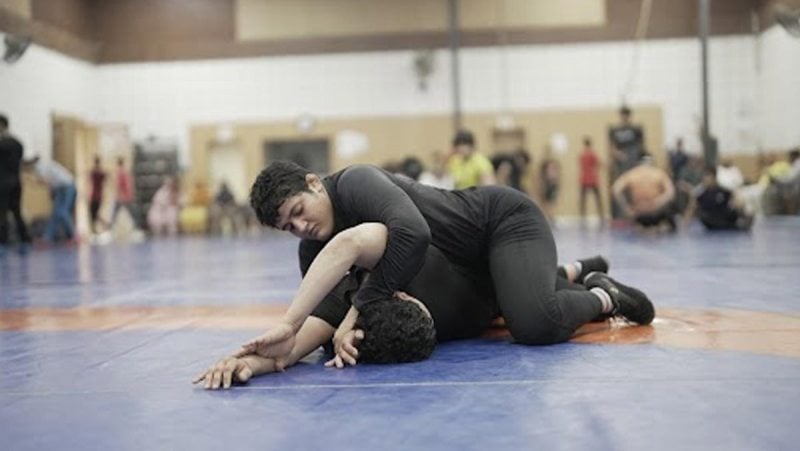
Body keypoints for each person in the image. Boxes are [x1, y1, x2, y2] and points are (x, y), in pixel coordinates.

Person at [196, 161, 655, 384]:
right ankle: (566, 272)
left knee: (533, 323)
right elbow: (310, 336)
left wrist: (359, 309)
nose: (300, 227)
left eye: (298, 210)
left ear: (315, 183)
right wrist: (247, 363)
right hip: (467, 281)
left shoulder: (355, 184)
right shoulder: (313, 252)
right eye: (287, 227)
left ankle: (602, 294)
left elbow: (411, 234)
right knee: (498, 302)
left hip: (499, 227)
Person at [612, 157, 676, 232]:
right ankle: (655, 229)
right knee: (669, 224)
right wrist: (657, 203)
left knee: (641, 228)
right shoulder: (658, 173)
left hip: (639, 215)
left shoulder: (631, 173)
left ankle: (644, 228)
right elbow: (671, 193)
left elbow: (615, 189)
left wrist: (627, 209)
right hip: (656, 214)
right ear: (651, 162)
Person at [24, 156, 77, 244]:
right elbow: (51, 181)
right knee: (56, 213)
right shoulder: (46, 163)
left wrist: (34, 181)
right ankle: (47, 238)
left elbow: (46, 181)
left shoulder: (39, 166)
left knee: (62, 212)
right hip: (62, 187)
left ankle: (73, 235)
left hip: (66, 187)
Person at [0, 114, 32, 256]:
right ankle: (25, 240)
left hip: (3, 183)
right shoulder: (18, 143)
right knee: (17, 212)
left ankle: (3, 243)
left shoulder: (2, 144)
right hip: (16, 182)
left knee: (2, 213)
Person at [683, 168, 753, 231]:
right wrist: (685, 226)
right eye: (705, 177)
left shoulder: (722, 190)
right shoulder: (700, 193)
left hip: (724, 216)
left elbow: (734, 196)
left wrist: (737, 202)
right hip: (710, 219)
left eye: (708, 177)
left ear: (714, 178)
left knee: (737, 204)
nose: (706, 180)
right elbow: (691, 208)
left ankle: (745, 220)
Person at [608, 106, 645, 218]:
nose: (625, 118)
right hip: (621, 164)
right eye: (623, 115)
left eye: (627, 115)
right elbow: (612, 148)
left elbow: (641, 146)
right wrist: (618, 154)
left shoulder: (636, 129)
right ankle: (622, 214)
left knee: (634, 187)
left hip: (633, 162)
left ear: (629, 116)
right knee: (621, 188)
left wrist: (635, 158)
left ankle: (636, 213)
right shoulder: (615, 130)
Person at [579, 137, 604, 224]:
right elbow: (599, 164)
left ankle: (583, 216)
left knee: (583, 199)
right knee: (597, 198)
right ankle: (601, 215)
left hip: (585, 179)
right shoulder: (593, 154)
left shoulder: (582, 155)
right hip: (592, 179)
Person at [109, 157, 137, 228]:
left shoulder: (120, 172)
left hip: (122, 197)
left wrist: (120, 196)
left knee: (115, 213)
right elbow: (129, 185)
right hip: (127, 196)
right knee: (131, 213)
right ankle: (136, 226)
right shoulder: (126, 172)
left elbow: (120, 185)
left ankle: (110, 228)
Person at [88, 156, 108, 234]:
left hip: (95, 196)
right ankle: (96, 230)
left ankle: (104, 225)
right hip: (98, 196)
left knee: (94, 215)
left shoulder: (94, 172)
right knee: (94, 215)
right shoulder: (100, 172)